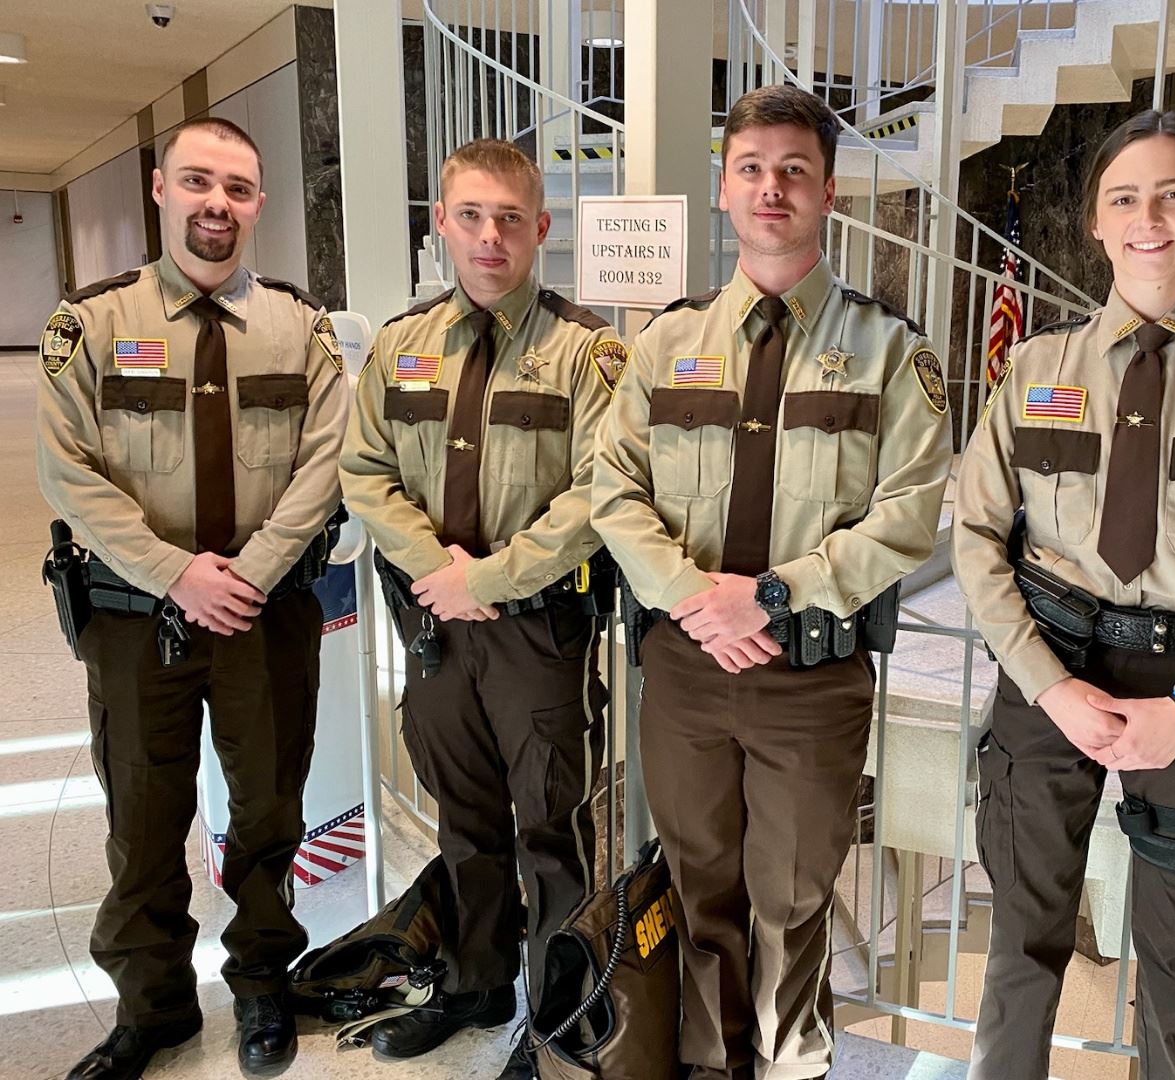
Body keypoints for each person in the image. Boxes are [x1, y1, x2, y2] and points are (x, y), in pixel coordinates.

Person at [591, 84, 952, 1079]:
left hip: (809, 680)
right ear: (722, 189)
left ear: (828, 191)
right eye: (751, 168)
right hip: (688, 673)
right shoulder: (666, 343)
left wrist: (771, 594)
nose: (771, 188)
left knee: (792, 898)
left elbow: (909, 512)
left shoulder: (888, 350)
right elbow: (611, 488)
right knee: (702, 888)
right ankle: (712, 1064)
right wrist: (692, 599)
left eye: (794, 169)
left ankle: (792, 1063)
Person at [952, 109, 1175, 1080]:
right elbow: (979, 537)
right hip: (1051, 668)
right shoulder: (1033, 370)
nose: (1148, 217)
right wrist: (1047, 686)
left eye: (1172, 194)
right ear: (1096, 223)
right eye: (1125, 197)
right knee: (1021, 955)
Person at [35, 117, 349, 1079]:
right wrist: (176, 572)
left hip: (265, 616)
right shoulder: (90, 326)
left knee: (267, 813)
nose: (219, 204)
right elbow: (68, 473)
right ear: (161, 190)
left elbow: (325, 463)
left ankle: (261, 986)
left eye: (240, 189)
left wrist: (247, 573)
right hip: (137, 620)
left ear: (258, 204)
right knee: (142, 816)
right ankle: (155, 1007)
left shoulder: (304, 329)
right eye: (200, 183)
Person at [338, 138, 619, 1079]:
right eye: (472, 216)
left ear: (541, 229)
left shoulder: (588, 354)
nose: (490, 236)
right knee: (463, 816)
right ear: (441, 226)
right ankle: (476, 982)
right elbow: (365, 472)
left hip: (537, 629)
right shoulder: (399, 347)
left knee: (550, 824)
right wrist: (438, 574)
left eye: (510, 218)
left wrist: (488, 577)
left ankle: (559, 1016)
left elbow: (600, 493)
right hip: (432, 628)